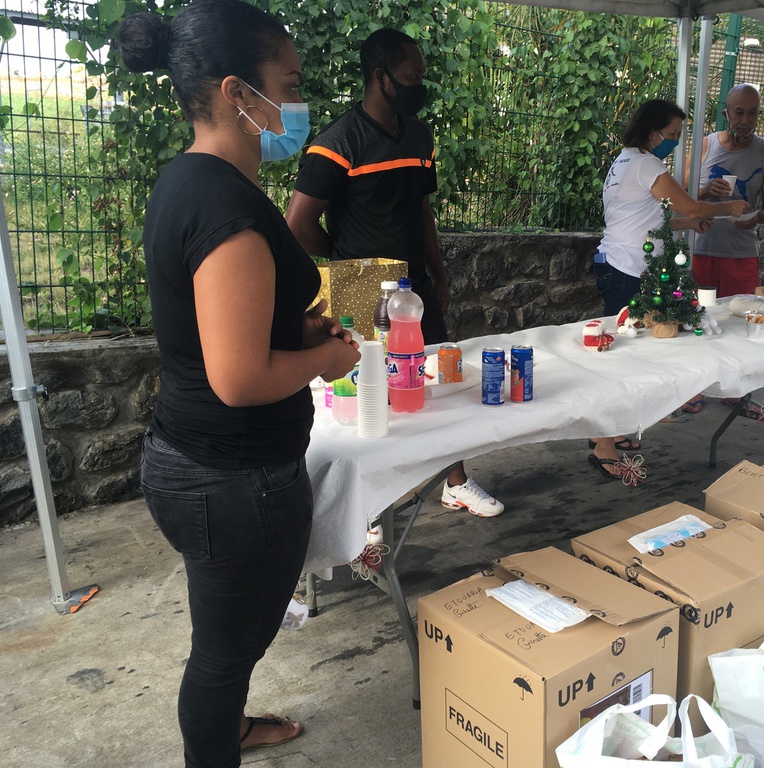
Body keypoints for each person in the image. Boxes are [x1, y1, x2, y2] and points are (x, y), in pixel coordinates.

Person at [120, 1, 361, 765]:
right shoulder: (227, 206)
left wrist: (297, 330)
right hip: (230, 477)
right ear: (236, 93)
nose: (298, 102)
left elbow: (218, 328)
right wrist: (325, 362)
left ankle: (227, 729)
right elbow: (238, 378)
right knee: (225, 654)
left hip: (198, 461)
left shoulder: (189, 180)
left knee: (225, 639)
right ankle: (215, 743)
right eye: (288, 84)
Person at [286, 29, 503, 517]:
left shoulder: (419, 136)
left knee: (436, 384)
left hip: (415, 288)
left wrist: (439, 274)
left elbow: (422, 211)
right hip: (361, 288)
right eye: (413, 76)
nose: (420, 86)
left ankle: (454, 482)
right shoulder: (336, 144)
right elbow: (297, 225)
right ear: (381, 77)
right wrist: (345, 259)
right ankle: (365, 511)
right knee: (366, 397)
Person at [590, 98, 746, 478]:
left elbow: (645, 221)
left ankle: (613, 431)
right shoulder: (647, 164)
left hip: (620, 263)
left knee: (627, 352)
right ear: (651, 132)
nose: (675, 142)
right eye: (672, 134)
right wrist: (728, 208)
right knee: (622, 358)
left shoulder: (624, 161)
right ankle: (603, 444)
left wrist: (688, 225)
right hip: (626, 269)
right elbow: (690, 207)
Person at [692, 83, 764, 297]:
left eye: (752, 113)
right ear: (726, 113)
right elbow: (680, 198)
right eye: (739, 113)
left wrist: (757, 218)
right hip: (701, 250)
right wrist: (707, 191)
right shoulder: (705, 146)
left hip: (742, 254)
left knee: (739, 314)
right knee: (698, 313)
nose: (746, 121)